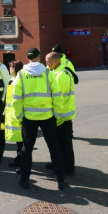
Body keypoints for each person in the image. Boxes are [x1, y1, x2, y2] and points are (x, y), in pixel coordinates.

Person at [13, 48, 67, 190]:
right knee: (53, 147)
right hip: (47, 116)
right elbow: (57, 95)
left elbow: (16, 99)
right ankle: (60, 180)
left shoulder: (21, 74)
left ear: (27, 57)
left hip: (29, 117)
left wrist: (19, 116)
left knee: (27, 149)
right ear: (39, 57)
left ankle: (24, 180)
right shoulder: (48, 73)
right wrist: (57, 113)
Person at [46, 51, 76, 175]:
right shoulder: (55, 72)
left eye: (47, 61)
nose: (46, 63)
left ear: (55, 61)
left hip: (62, 115)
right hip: (60, 114)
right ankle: (57, 163)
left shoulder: (62, 75)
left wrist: (55, 113)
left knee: (65, 143)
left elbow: (58, 96)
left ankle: (68, 168)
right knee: (58, 142)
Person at [4, 60, 23, 167]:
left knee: (21, 141)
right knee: (19, 141)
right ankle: (19, 159)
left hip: (17, 115)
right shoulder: (12, 80)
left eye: (10, 67)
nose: (9, 69)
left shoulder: (18, 81)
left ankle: (21, 162)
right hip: (12, 115)